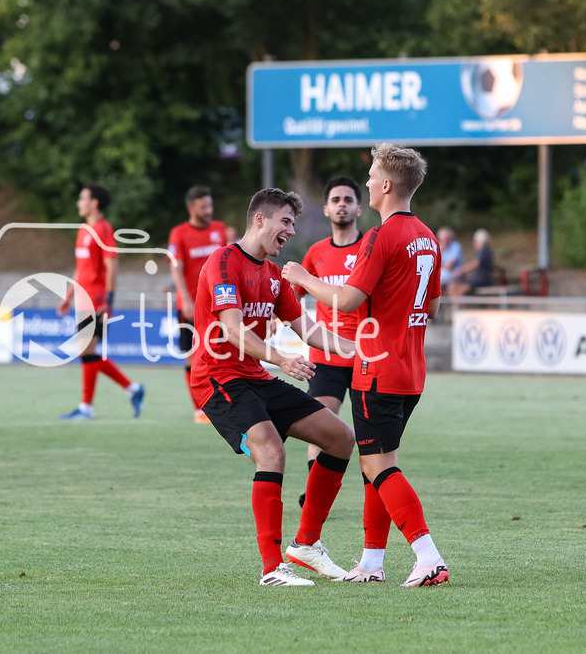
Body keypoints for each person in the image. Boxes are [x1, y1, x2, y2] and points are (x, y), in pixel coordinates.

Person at [282, 143, 449, 587]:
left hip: (378, 367)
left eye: (373, 176)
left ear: (387, 185)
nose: (369, 183)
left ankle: (428, 556)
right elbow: (432, 308)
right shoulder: (428, 238)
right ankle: (372, 563)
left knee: (378, 466)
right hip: (411, 370)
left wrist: (303, 278)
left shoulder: (380, 236)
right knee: (378, 461)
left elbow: (348, 299)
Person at [190, 187, 357, 587]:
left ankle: (307, 545)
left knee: (340, 438)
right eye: (285, 221)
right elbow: (232, 330)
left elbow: (309, 330)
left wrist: (362, 350)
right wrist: (281, 359)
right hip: (217, 377)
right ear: (260, 219)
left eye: (293, 224)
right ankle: (271, 569)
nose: (291, 231)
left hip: (256, 377)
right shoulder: (223, 262)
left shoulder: (273, 276)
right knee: (271, 450)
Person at [290, 176, 364, 508]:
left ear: (359, 208)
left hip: (365, 353)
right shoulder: (316, 253)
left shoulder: (370, 250)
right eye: (336, 200)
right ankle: (315, 493)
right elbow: (292, 297)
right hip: (326, 356)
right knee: (321, 423)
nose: (342, 205)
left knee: (369, 433)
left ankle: (377, 488)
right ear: (326, 209)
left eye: (348, 200)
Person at [57, 183, 145, 420]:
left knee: (86, 351)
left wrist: (109, 301)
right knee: (87, 352)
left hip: (96, 299)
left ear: (94, 202)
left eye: (82, 198)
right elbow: (80, 268)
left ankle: (87, 407)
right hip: (82, 299)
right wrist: (69, 296)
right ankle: (132, 389)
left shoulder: (103, 229)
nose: (79, 203)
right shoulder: (83, 229)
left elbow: (112, 265)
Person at [167, 185, 229, 423]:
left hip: (219, 304)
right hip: (192, 306)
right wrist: (185, 300)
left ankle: (225, 403)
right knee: (191, 356)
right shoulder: (179, 233)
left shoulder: (219, 230)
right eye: (203, 207)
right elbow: (176, 269)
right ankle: (199, 410)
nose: (208, 211)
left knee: (222, 355)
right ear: (191, 208)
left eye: (210, 205)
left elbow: (227, 263)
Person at [447, 228, 494, 297]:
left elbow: (476, 263)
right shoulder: (483, 251)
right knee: (452, 286)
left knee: (460, 290)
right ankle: (457, 303)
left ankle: (460, 304)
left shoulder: (484, 250)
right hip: (475, 279)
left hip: (480, 280)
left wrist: (461, 270)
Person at [436, 227, 462, 293]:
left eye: (446, 239)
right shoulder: (438, 247)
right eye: (442, 239)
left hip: (454, 273)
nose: (445, 241)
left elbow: (449, 265)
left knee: (437, 279)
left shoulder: (455, 246)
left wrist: (440, 267)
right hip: (443, 273)